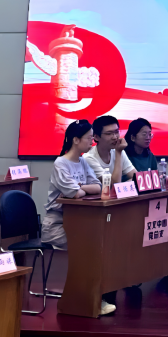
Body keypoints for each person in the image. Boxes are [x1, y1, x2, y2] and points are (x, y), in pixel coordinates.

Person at [42, 119, 116, 316]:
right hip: (56, 225)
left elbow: (98, 187)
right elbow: (75, 194)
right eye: (89, 138)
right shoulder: (61, 163)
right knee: (89, 248)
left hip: (78, 223)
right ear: (75, 140)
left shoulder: (83, 161)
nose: (92, 142)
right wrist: (80, 190)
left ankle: (93, 297)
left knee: (99, 243)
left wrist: (80, 187)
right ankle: (87, 300)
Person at [83, 115, 136, 187]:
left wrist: (123, 186)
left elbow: (137, 177)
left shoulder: (119, 151)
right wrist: (118, 152)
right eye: (109, 134)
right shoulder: (89, 158)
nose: (115, 137)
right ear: (96, 137)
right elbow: (113, 185)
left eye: (116, 132)